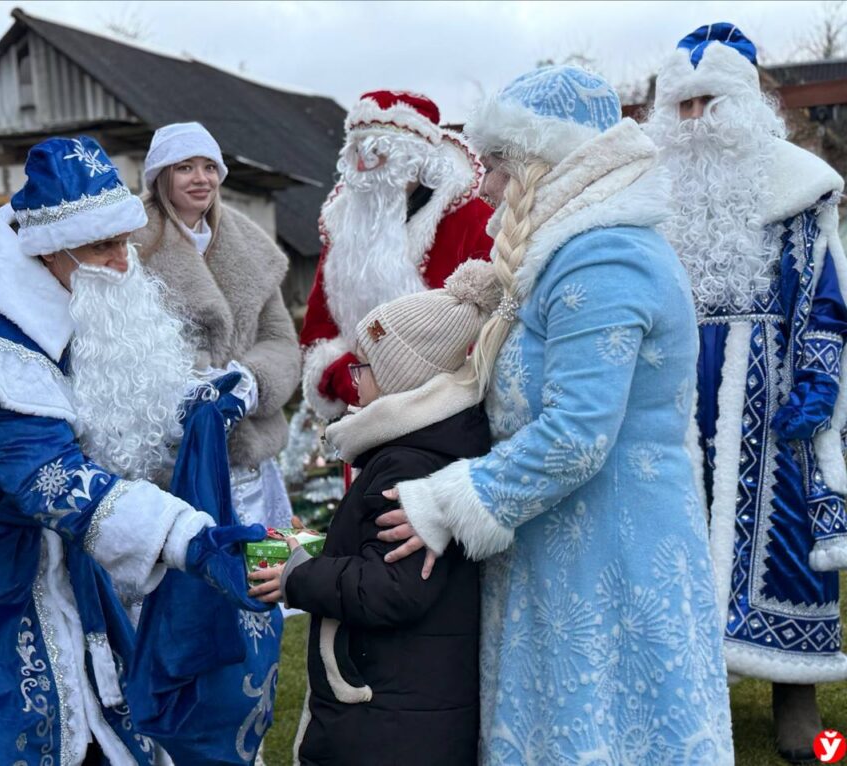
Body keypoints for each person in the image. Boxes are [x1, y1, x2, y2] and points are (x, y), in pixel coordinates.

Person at [375, 66, 735, 764]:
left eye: (503, 165)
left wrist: (449, 502)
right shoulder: (573, 252)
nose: (489, 187)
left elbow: (577, 435)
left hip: (611, 549)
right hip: (569, 538)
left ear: (549, 160)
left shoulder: (605, 258)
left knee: (604, 729)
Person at [0, 136, 267, 765]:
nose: (121, 261)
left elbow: (116, 393)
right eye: (101, 247)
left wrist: (195, 398)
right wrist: (185, 537)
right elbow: (53, 481)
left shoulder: (79, 285)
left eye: (124, 242)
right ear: (49, 250)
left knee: (95, 711)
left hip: (44, 543)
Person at [645, 23, 847, 761]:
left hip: (771, 391)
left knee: (784, 540)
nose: (696, 123)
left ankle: (802, 704)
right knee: (675, 540)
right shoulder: (649, 191)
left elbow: (825, 297)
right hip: (669, 396)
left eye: (710, 104)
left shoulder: (799, 183)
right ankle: (695, 695)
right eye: (684, 107)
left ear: (745, 106)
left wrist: (820, 381)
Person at [249, 260, 498, 765]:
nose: (352, 378)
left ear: (400, 376)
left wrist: (299, 575)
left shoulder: (406, 464)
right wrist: (319, 546)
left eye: (364, 367)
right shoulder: (428, 447)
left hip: (383, 713)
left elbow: (395, 588)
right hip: (406, 706)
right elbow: (376, 551)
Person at [132, 122, 301, 532]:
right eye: (186, 167)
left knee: (257, 572)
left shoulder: (246, 241)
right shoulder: (131, 241)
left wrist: (249, 381)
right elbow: (121, 338)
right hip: (171, 455)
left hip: (247, 455)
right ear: (161, 176)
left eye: (210, 167)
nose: (201, 178)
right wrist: (192, 381)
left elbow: (279, 338)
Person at [299, 90, 494, 420]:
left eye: (377, 151)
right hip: (362, 422)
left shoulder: (473, 219)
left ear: (416, 158)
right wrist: (350, 378)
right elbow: (317, 331)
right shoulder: (345, 225)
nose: (363, 164)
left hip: (450, 417)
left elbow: (494, 321)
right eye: (357, 151)